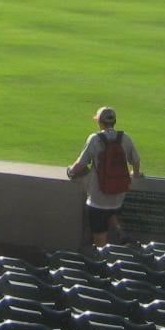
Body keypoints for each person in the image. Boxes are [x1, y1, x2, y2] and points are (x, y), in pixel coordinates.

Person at [66, 106, 141, 247]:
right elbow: (136, 161)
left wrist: (70, 171)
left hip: (97, 199)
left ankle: (103, 259)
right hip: (119, 195)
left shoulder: (95, 139)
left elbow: (80, 164)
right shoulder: (125, 138)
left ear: (99, 122)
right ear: (115, 121)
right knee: (112, 209)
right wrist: (135, 174)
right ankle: (119, 231)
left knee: (99, 238)